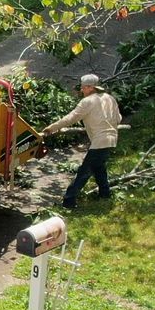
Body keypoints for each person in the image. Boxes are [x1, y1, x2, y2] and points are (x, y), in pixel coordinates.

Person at [41, 73, 123, 210]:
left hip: (100, 141)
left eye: (83, 88)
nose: (82, 90)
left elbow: (70, 119)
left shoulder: (87, 102)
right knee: (99, 168)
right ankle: (105, 194)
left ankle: (68, 201)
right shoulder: (110, 98)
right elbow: (119, 118)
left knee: (84, 172)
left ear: (90, 87)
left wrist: (51, 128)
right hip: (111, 139)